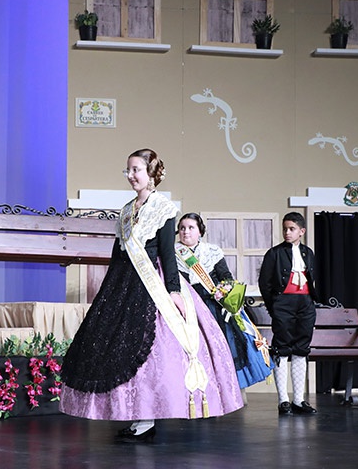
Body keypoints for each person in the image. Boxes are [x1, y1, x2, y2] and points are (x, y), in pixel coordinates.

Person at [59, 149, 244, 443]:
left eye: (137, 170)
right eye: (128, 170)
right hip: (123, 283)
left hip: (152, 285)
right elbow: (118, 254)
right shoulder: (125, 211)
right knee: (121, 350)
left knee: (151, 354)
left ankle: (146, 420)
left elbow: (167, 254)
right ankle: (136, 417)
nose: (131, 176)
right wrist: (108, 290)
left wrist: (174, 291)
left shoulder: (164, 208)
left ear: (151, 173)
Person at [175, 213, 274, 390]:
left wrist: (224, 290)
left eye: (191, 227)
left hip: (214, 308)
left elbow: (226, 277)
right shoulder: (172, 254)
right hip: (186, 308)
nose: (186, 232)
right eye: (182, 228)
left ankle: (228, 392)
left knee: (223, 348)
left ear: (200, 232)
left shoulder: (212, 252)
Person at [257, 211, 318, 415]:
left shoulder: (308, 253)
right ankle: (283, 400)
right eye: (285, 229)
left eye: (292, 229)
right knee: (282, 348)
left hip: (305, 304)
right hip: (283, 304)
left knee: (301, 348)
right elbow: (264, 283)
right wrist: (274, 305)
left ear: (302, 231)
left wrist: (311, 302)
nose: (287, 233)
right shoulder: (274, 253)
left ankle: (299, 400)